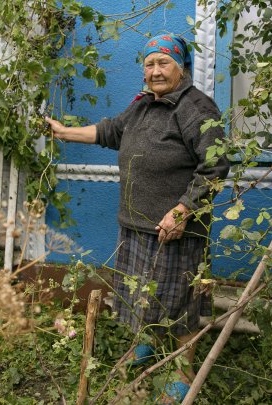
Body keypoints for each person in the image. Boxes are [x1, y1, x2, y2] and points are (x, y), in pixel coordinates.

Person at [45, 33, 229, 403]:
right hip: (136, 223)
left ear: (182, 67)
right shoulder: (144, 105)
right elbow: (112, 130)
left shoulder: (196, 108)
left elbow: (216, 166)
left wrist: (183, 211)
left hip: (175, 230)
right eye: (150, 63)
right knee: (141, 297)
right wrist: (64, 132)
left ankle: (182, 369)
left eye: (164, 63)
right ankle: (147, 344)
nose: (155, 71)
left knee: (180, 306)